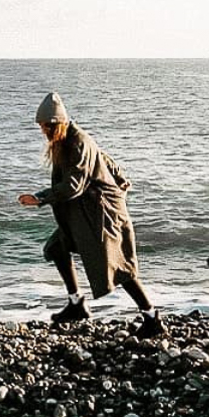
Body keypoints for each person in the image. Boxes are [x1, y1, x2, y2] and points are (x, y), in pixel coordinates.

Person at [18, 91, 165, 337]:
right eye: (41, 126)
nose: (43, 131)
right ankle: (76, 304)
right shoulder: (68, 139)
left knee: (120, 267)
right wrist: (120, 177)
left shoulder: (77, 142)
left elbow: (73, 185)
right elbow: (103, 159)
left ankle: (152, 318)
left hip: (101, 215)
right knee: (57, 248)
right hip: (83, 213)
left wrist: (40, 198)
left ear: (57, 124)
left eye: (45, 127)